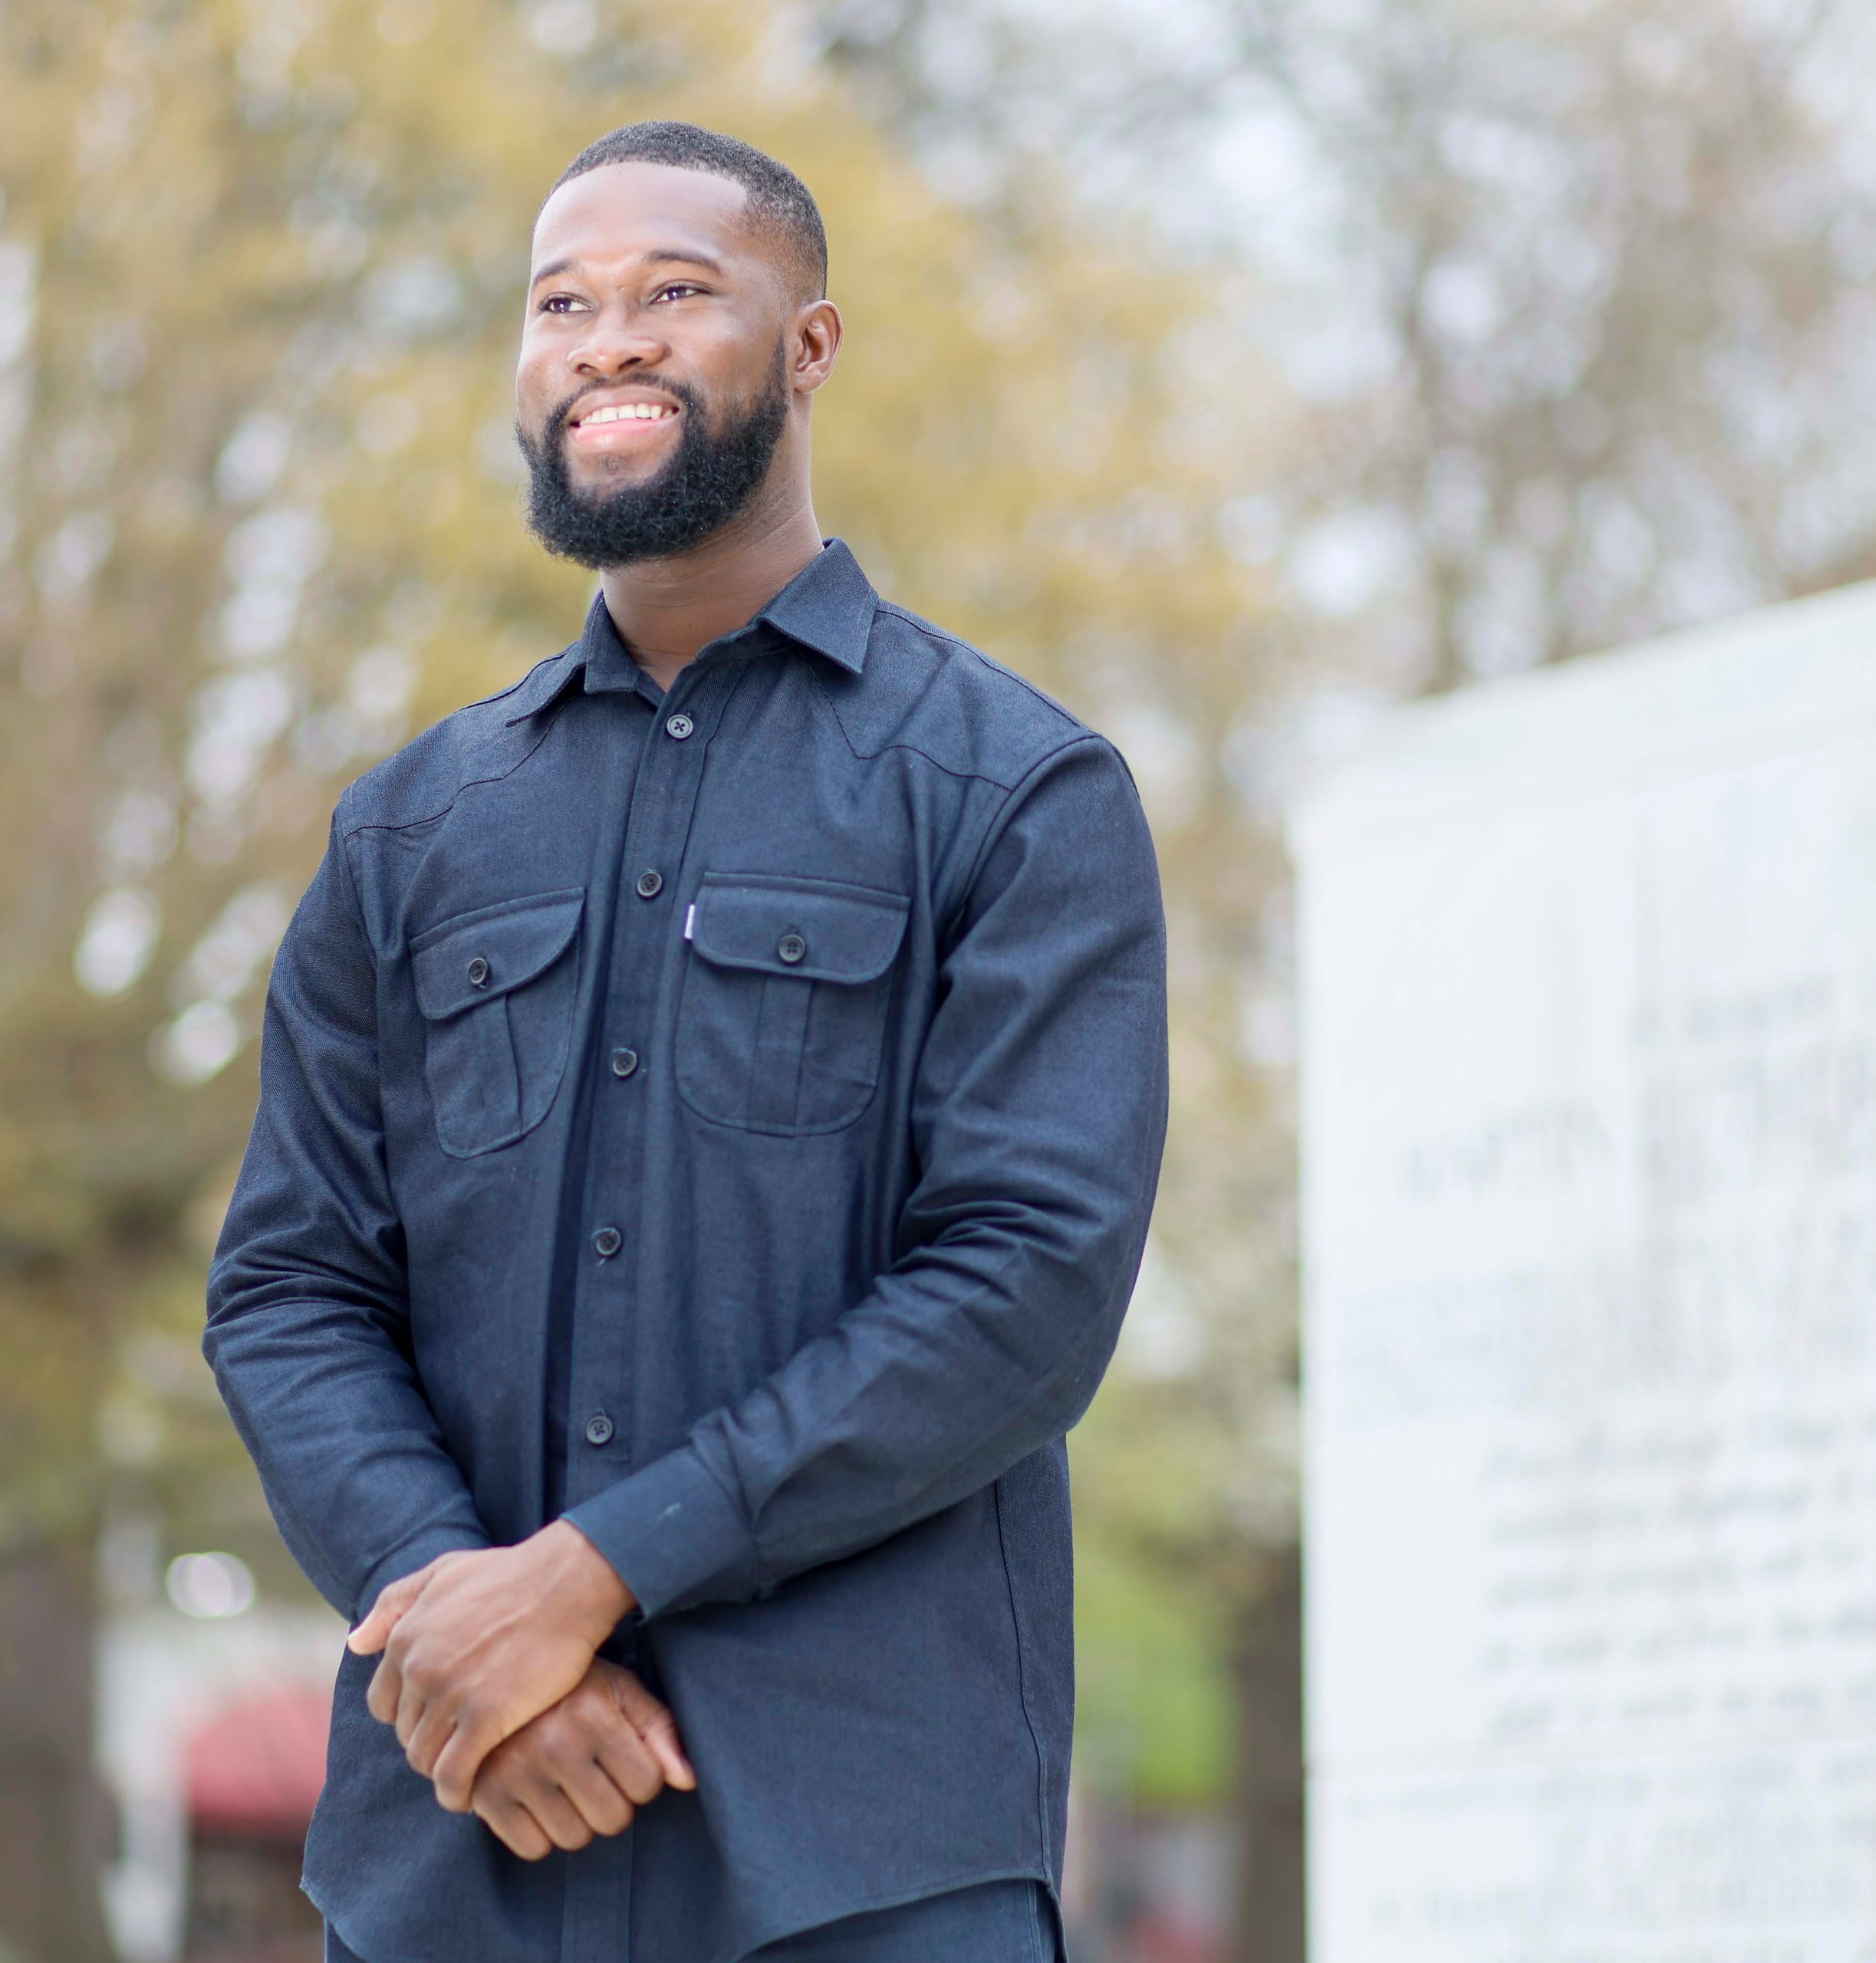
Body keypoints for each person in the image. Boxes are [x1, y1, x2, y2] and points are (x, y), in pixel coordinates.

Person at [206, 120, 1169, 1963]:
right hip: (455, 1855)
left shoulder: (1013, 792)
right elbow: (291, 1286)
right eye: (560, 302)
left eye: (674, 293)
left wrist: (591, 1572)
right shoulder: (408, 831)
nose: (605, 342)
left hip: (861, 1865)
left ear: (808, 347)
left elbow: (1028, 1282)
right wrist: (456, 1625)